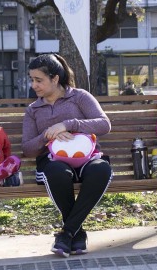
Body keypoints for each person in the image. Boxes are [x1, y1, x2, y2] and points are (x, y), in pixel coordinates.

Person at [23, 53, 112, 257]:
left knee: (101, 169)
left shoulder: (79, 97)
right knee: (57, 172)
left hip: (86, 158)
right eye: (32, 79)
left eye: (39, 80)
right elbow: (28, 148)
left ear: (55, 78)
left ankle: (67, 233)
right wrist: (48, 135)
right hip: (54, 162)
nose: (34, 85)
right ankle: (76, 234)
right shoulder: (33, 110)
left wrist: (68, 124)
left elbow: (104, 124)